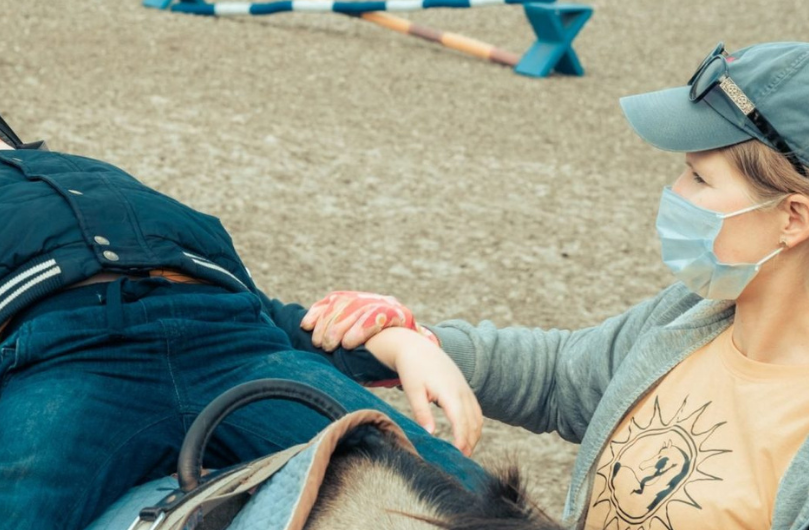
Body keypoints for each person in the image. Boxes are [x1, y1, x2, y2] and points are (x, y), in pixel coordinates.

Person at [0, 39, 484, 529]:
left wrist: (398, 343)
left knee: (446, 484)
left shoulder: (114, 189)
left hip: (231, 342)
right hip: (67, 357)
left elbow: (272, 316)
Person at [303, 41, 809, 529]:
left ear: (793, 218)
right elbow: (562, 379)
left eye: (698, 179)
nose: (673, 194)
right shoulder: (696, 313)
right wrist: (418, 341)